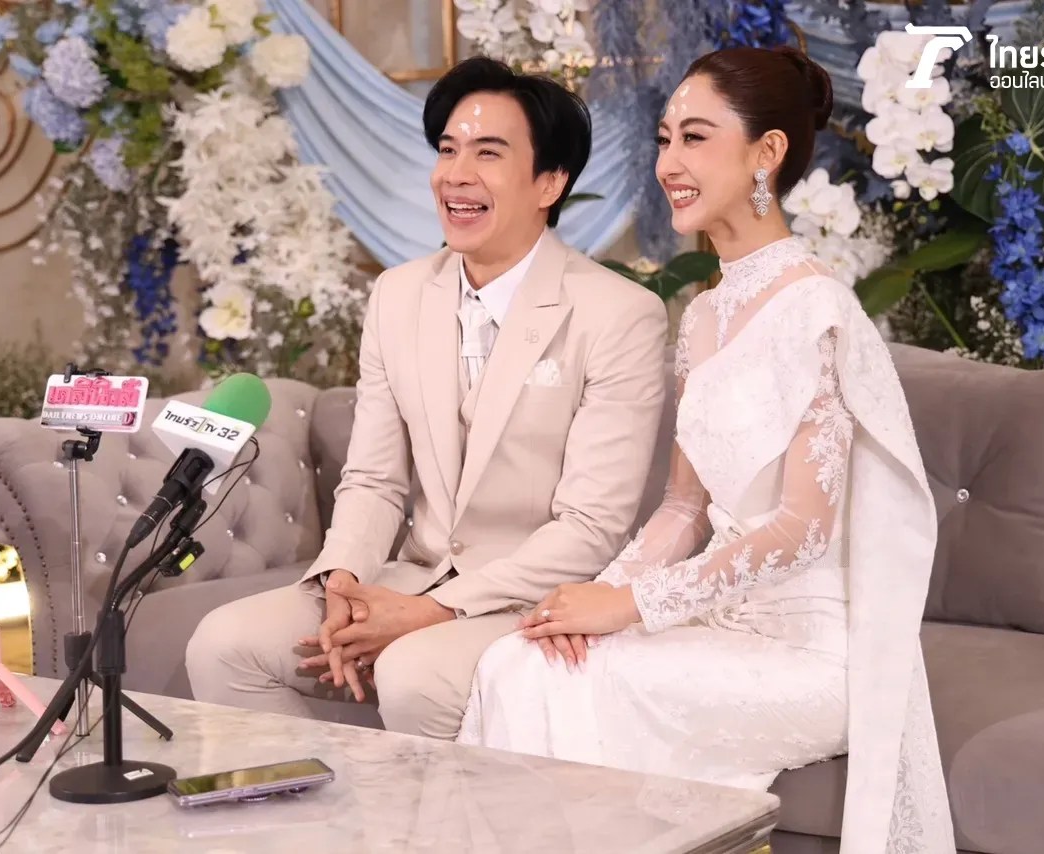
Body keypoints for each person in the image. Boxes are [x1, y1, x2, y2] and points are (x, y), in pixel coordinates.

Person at [455, 46, 957, 854]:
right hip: (712, 621)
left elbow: (803, 530)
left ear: (767, 152)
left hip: (809, 653)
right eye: (663, 139)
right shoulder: (702, 316)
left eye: (694, 137)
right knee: (518, 661)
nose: (668, 164)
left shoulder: (818, 310)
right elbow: (684, 509)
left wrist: (631, 608)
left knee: (578, 680)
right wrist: (591, 599)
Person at [184, 56, 669, 741]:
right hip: (409, 575)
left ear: (550, 181)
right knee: (222, 645)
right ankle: (324, 805)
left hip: (529, 598)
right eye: (447, 150)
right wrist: (343, 582)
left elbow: (591, 528)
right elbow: (374, 479)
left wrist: (433, 612)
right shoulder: (399, 294)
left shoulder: (619, 314)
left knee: (413, 673)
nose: (456, 174)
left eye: (488, 153)